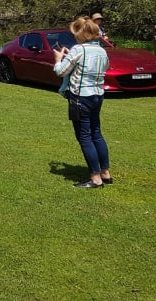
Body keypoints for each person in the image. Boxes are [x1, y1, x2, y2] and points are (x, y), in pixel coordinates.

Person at [53, 16, 112, 189]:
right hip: (97, 95)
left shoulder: (78, 49)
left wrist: (58, 59)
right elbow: (106, 67)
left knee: (84, 136)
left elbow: (61, 72)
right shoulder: (102, 51)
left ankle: (95, 177)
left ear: (81, 34)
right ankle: (106, 173)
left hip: (80, 97)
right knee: (96, 133)